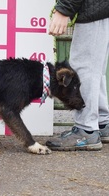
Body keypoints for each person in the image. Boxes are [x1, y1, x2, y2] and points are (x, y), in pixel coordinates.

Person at [46, 0, 109, 151]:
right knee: (94, 67)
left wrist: (63, 9)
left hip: (93, 6)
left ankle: (86, 130)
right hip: (100, 8)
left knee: (83, 67)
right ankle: (101, 123)